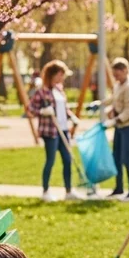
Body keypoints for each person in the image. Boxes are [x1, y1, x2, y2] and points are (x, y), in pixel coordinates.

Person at [28, 60, 82, 202]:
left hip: (63, 130)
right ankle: (45, 191)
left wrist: (73, 118)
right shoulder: (41, 92)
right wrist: (42, 111)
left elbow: (64, 109)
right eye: (60, 75)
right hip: (50, 132)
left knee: (67, 160)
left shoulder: (59, 90)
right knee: (50, 160)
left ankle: (69, 191)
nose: (62, 78)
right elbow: (30, 110)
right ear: (53, 75)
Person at [105, 57, 129, 201]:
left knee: (126, 158)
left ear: (125, 70)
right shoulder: (119, 84)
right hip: (120, 127)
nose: (116, 78)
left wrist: (113, 121)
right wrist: (101, 104)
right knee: (116, 158)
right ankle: (118, 188)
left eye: (118, 75)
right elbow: (114, 98)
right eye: (114, 75)